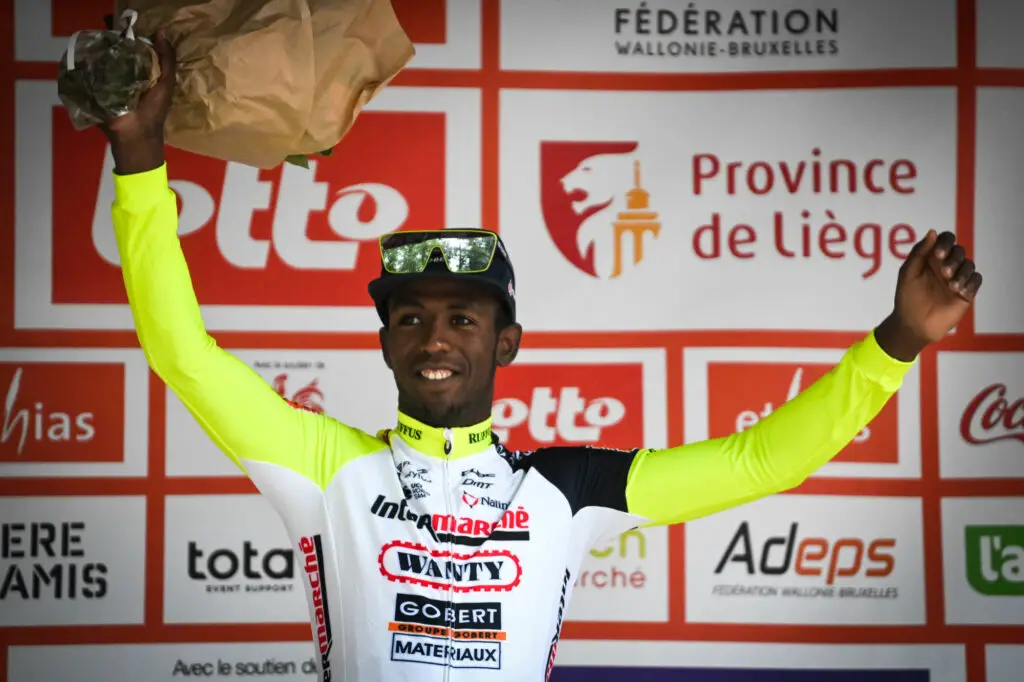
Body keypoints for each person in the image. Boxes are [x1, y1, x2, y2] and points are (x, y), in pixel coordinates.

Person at [99, 33, 983, 682]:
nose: (434, 339)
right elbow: (183, 353)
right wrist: (139, 157)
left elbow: (761, 461)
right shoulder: (326, 466)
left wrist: (898, 342)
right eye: (411, 319)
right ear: (385, 342)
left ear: (507, 343)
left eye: (462, 319)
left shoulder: (567, 488)